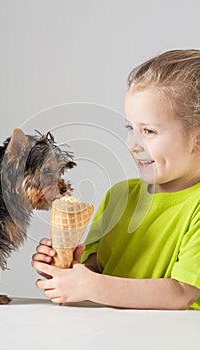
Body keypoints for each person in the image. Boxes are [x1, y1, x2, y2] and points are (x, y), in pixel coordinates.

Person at [31, 49, 200, 310]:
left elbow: (181, 293)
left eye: (149, 131)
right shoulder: (119, 196)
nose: (133, 144)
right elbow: (95, 271)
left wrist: (90, 285)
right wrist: (67, 270)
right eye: (130, 128)